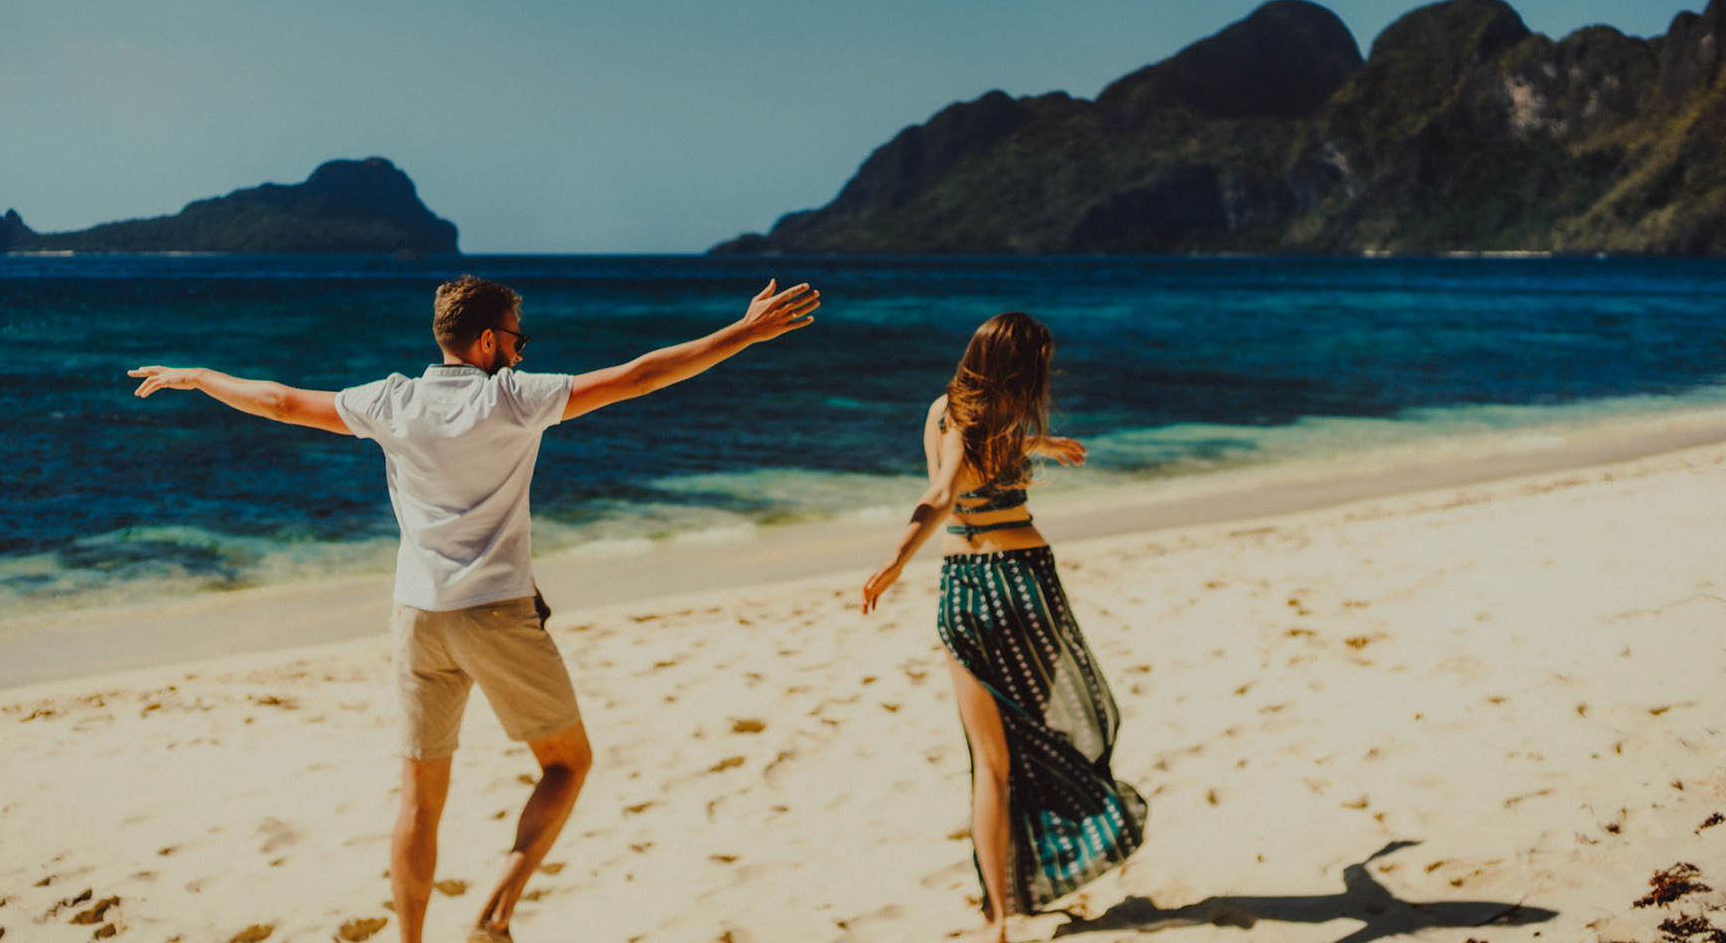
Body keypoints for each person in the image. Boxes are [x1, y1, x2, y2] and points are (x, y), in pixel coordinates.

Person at [129, 274, 819, 943]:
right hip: (495, 613)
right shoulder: (513, 399)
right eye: (519, 339)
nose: (524, 351)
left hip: (417, 616)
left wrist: (199, 375)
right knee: (567, 764)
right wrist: (743, 333)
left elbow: (279, 401)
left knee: (419, 802)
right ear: (488, 341)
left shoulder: (392, 401)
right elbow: (640, 375)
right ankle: (494, 914)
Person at [861, 312, 1145, 942]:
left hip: (969, 591)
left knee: (991, 761)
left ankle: (999, 912)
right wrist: (894, 558)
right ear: (1019, 368)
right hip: (1026, 586)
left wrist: (1043, 445)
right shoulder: (979, 419)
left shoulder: (952, 410)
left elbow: (954, 483)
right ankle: (1018, 889)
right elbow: (941, 493)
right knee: (1029, 744)